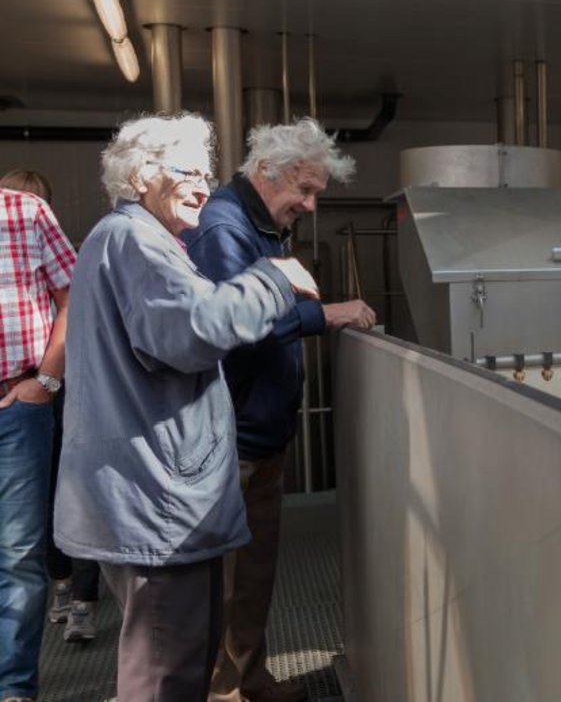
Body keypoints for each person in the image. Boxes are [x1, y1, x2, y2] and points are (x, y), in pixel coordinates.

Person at [53, 113, 318, 700]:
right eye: (189, 172)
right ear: (143, 176)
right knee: (163, 672)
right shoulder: (134, 240)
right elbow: (192, 331)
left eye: (207, 172)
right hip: (152, 502)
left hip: (154, 493)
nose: (204, 185)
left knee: (183, 660)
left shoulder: (137, 239)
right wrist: (272, 281)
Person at [183, 118, 374, 702]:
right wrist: (327, 314)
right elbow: (241, 326)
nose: (310, 206)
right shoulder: (224, 226)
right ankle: (223, 690)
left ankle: (249, 678)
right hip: (233, 435)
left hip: (261, 431)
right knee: (227, 577)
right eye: (305, 190)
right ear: (267, 172)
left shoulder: (261, 225)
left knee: (256, 570)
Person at [0, 169, 100, 645]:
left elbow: (76, 299)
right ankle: (67, 589)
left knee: (62, 505)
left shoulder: (32, 219)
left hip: (38, 395)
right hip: (39, 396)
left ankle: (79, 599)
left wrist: (45, 380)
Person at [0, 171, 76, 702]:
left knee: (19, 553)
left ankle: (13, 688)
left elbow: (74, 297)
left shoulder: (25, 211)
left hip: (17, 401)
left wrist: (45, 379)